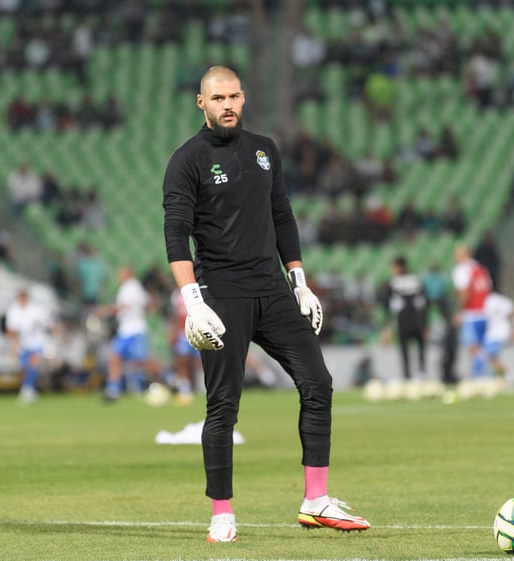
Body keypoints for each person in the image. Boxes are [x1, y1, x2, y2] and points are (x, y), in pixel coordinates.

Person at [161, 65, 370, 543]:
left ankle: (315, 500)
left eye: (234, 96)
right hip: (221, 294)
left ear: (244, 97)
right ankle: (222, 513)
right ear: (201, 103)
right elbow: (176, 233)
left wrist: (299, 281)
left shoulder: (264, 150)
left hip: (273, 290)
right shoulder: (186, 160)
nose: (228, 105)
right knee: (223, 407)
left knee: (318, 382)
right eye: (218, 98)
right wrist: (192, 301)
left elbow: (282, 216)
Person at [99, 266, 151, 401]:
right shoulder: (130, 287)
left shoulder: (131, 286)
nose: (119, 275)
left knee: (141, 361)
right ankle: (113, 389)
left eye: (121, 273)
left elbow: (124, 306)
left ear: (128, 273)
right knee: (115, 357)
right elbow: (147, 303)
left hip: (134, 329)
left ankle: (169, 378)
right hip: (125, 330)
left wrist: (106, 311)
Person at [452, 243, 492, 379]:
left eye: (457, 254)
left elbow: (465, 294)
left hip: (471, 314)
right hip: (485, 313)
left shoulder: (462, 270)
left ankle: (479, 376)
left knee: (472, 347)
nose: (455, 257)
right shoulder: (481, 268)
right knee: (481, 347)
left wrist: (458, 312)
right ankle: (486, 375)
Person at [385, 256, 428, 382]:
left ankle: (411, 374)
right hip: (412, 321)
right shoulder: (415, 280)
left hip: (409, 320)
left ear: (400, 267)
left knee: (410, 348)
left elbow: (390, 306)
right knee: (413, 348)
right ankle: (415, 373)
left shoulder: (395, 283)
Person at [5, 288, 51, 403]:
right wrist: (13, 345)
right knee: (24, 367)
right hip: (22, 343)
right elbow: (11, 329)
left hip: (37, 341)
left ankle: (27, 390)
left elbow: (47, 323)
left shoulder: (35, 309)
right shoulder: (13, 310)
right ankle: (29, 389)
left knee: (33, 365)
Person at [169, 286, 201, 404]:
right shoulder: (176, 295)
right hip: (183, 332)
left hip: (198, 330)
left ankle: (204, 387)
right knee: (182, 361)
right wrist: (174, 331)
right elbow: (176, 315)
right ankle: (185, 390)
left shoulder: (197, 290)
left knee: (201, 362)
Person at [481, 286, 514, 389]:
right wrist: (513, 329)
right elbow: (512, 313)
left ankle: (508, 373)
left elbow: (483, 316)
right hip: (502, 333)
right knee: (492, 357)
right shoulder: (505, 301)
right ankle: (497, 378)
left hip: (494, 334)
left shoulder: (489, 300)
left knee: (489, 357)